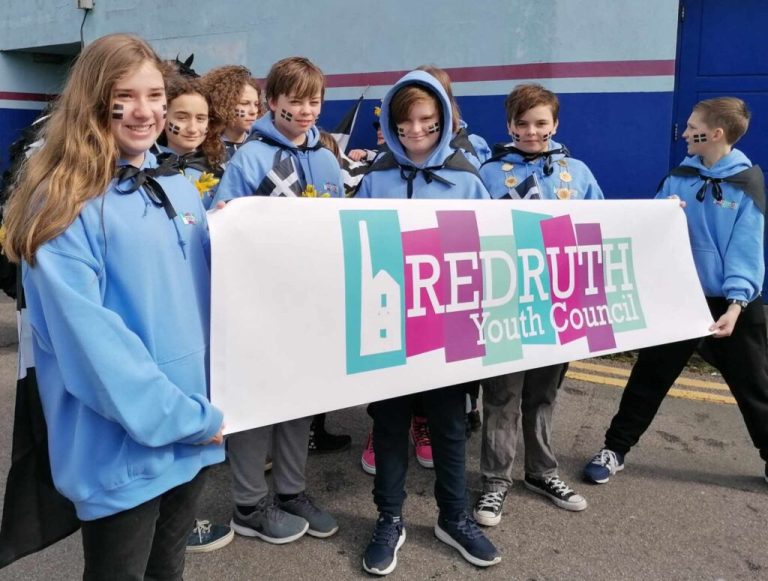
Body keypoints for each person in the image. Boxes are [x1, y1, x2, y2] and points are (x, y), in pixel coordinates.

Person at [1, 33, 225, 579]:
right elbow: (93, 348)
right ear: (94, 101)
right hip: (122, 447)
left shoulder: (178, 186)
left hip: (193, 431)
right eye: (125, 96)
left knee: (167, 571)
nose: (146, 111)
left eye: (155, 95)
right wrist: (191, 417)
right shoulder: (61, 200)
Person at [356, 70, 500, 575]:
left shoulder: (467, 178)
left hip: (448, 327)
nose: (416, 131)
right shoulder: (374, 177)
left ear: (443, 120)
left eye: (428, 121)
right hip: (389, 324)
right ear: (391, 124)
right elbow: (350, 246)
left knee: (450, 426)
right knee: (390, 423)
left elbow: (491, 249)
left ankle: (454, 516)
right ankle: (389, 518)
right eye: (406, 122)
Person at [583, 96, 768, 485]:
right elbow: (652, 230)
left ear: (715, 133)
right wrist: (662, 210)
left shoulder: (746, 183)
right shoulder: (678, 176)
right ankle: (615, 449)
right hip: (679, 296)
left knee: (754, 387)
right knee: (648, 378)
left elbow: (746, 250)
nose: (684, 133)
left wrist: (736, 304)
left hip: (732, 303)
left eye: (692, 126)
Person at [212, 56, 343, 545]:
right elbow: (223, 225)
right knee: (255, 405)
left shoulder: (328, 157)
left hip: (308, 307)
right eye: (296, 102)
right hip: (257, 308)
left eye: (315, 101)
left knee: (299, 401)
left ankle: (292, 491)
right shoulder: (248, 157)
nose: (307, 111)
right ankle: (248, 502)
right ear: (273, 102)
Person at [472, 83, 601, 527]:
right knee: (502, 395)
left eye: (541, 123)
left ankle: (542, 471)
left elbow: (601, 225)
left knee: (544, 394)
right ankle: (494, 480)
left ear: (555, 124)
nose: (531, 131)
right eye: (522, 123)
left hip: (557, 304)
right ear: (509, 125)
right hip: (506, 302)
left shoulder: (579, 172)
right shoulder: (487, 174)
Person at [157, 74, 225, 210]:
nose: (192, 129)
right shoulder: (147, 167)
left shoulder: (219, 171)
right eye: (182, 118)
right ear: (163, 118)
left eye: (200, 119)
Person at [200, 65, 261, 162]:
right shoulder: (204, 149)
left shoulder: (261, 145)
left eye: (256, 104)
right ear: (224, 104)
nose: (253, 111)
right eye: (244, 103)